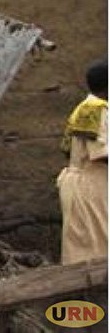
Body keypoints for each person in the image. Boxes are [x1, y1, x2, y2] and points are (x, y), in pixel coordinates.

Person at [58, 60, 108, 264]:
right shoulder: (96, 109)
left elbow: (67, 150)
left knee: (84, 244)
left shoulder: (84, 108)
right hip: (90, 184)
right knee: (97, 247)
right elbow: (101, 153)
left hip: (82, 181)